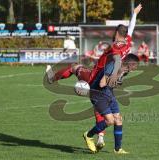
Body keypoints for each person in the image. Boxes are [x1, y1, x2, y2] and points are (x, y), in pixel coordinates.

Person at [45, 3, 142, 151]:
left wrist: (114, 74)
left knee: (74, 68)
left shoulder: (114, 48)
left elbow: (116, 58)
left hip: (95, 77)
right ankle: (101, 138)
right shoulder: (127, 43)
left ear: (116, 33)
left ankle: (52, 78)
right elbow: (131, 28)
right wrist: (134, 14)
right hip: (105, 81)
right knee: (108, 112)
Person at [83, 53, 139, 154]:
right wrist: (115, 77)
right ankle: (88, 135)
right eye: (135, 65)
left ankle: (117, 149)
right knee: (110, 121)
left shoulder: (125, 71)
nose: (135, 68)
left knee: (118, 119)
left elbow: (115, 83)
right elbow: (102, 83)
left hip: (108, 93)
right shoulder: (112, 65)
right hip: (98, 94)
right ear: (130, 63)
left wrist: (118, 78)